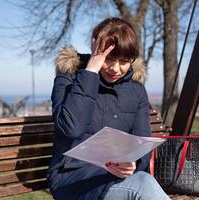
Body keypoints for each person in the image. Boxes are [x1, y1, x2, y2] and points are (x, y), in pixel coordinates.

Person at [47, 17, 170, 200]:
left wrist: (133, 163)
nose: (115, 68)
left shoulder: (136, 90)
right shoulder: (69, 78)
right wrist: (90, 72)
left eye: (124, 61)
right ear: (95, 49)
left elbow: (141, 142)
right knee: (142, 185)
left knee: (142, 181)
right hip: (73, 178)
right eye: (109, 59)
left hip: (118, 177)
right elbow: (71, 128)